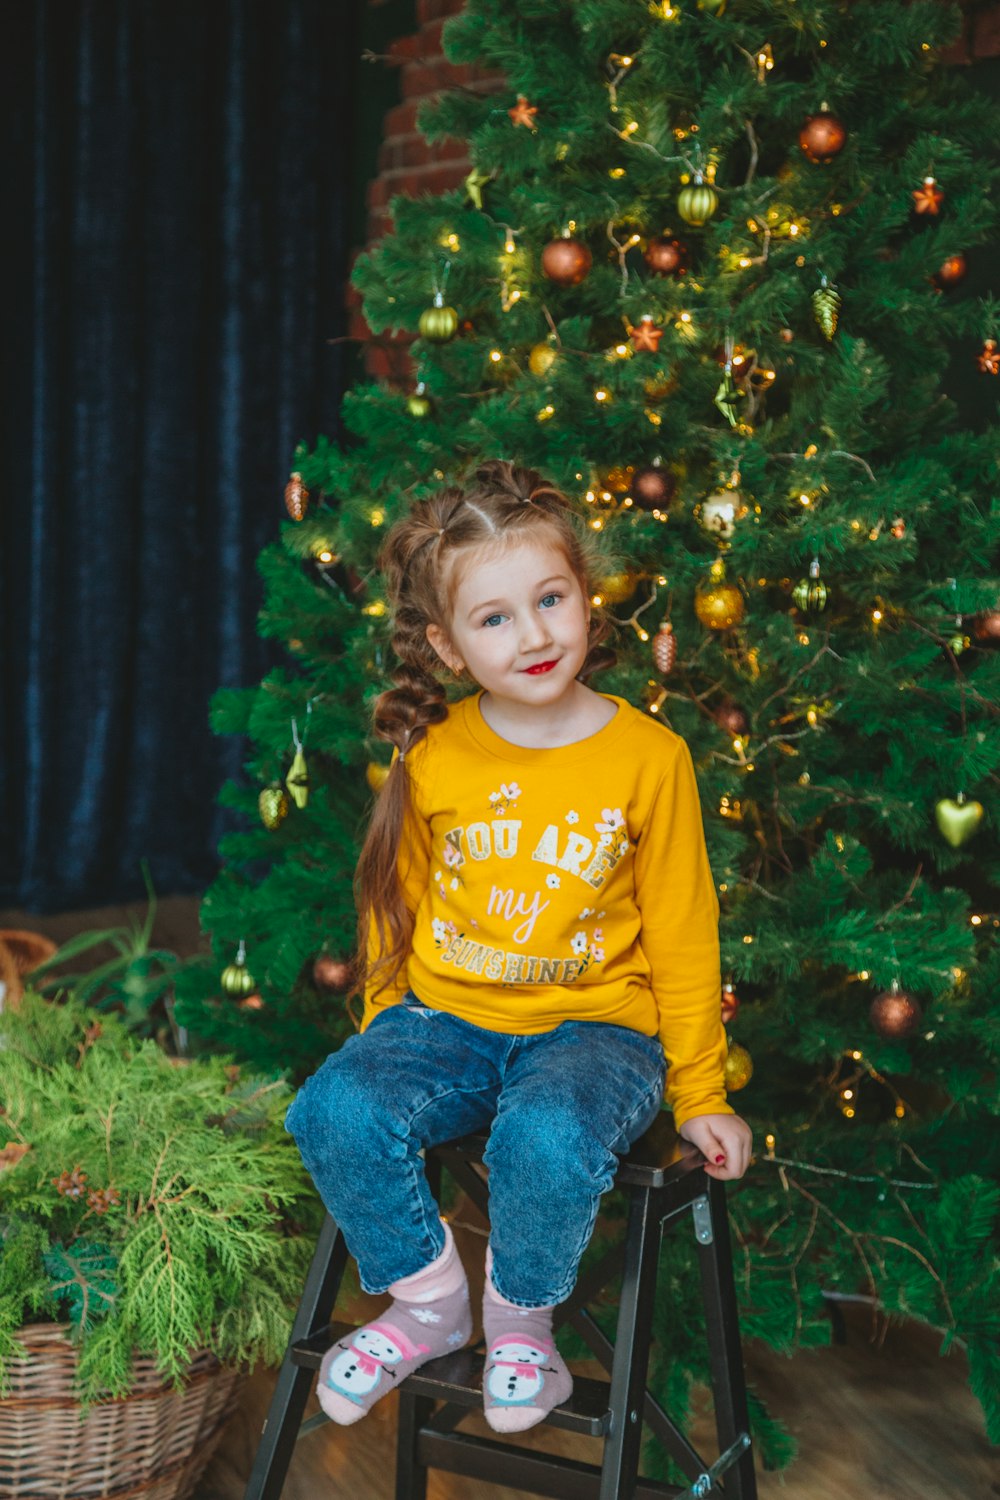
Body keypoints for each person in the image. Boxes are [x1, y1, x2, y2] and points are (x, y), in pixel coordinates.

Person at [285, 459, 753, 1433]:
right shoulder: (438, 751)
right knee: (332, 1107)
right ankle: (428, 1306)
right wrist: (384, 1034)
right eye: (494, 618)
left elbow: (681, 928)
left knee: (542, 1137)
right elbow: (394, 907)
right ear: (448, 648)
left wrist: (702, 1092)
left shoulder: (649, 758)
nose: (533, 634)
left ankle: (521, 1333)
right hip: (444, 1019)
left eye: (549, 599)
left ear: (586, 597)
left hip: (597, 1033)